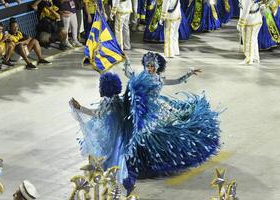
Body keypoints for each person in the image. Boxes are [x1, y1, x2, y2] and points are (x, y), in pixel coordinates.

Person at [70, 52, 221, 196]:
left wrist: (189, 73)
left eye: (152, 66)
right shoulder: (141, 77)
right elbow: (130, 76)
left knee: (158, 133)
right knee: (139, 136)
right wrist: (127, 62)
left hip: (153, 112)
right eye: (147, 66)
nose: (149, 69)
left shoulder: (159, 80)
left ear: (157, 67)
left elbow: (177, 81)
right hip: (139, 112)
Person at [237, 0, 262, 64]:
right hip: (257, 18)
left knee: (248, 40)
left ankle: (248, 59)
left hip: (250, 20)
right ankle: (255, 57)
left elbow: (245, 10)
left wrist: (240, 23)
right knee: (254, 39)